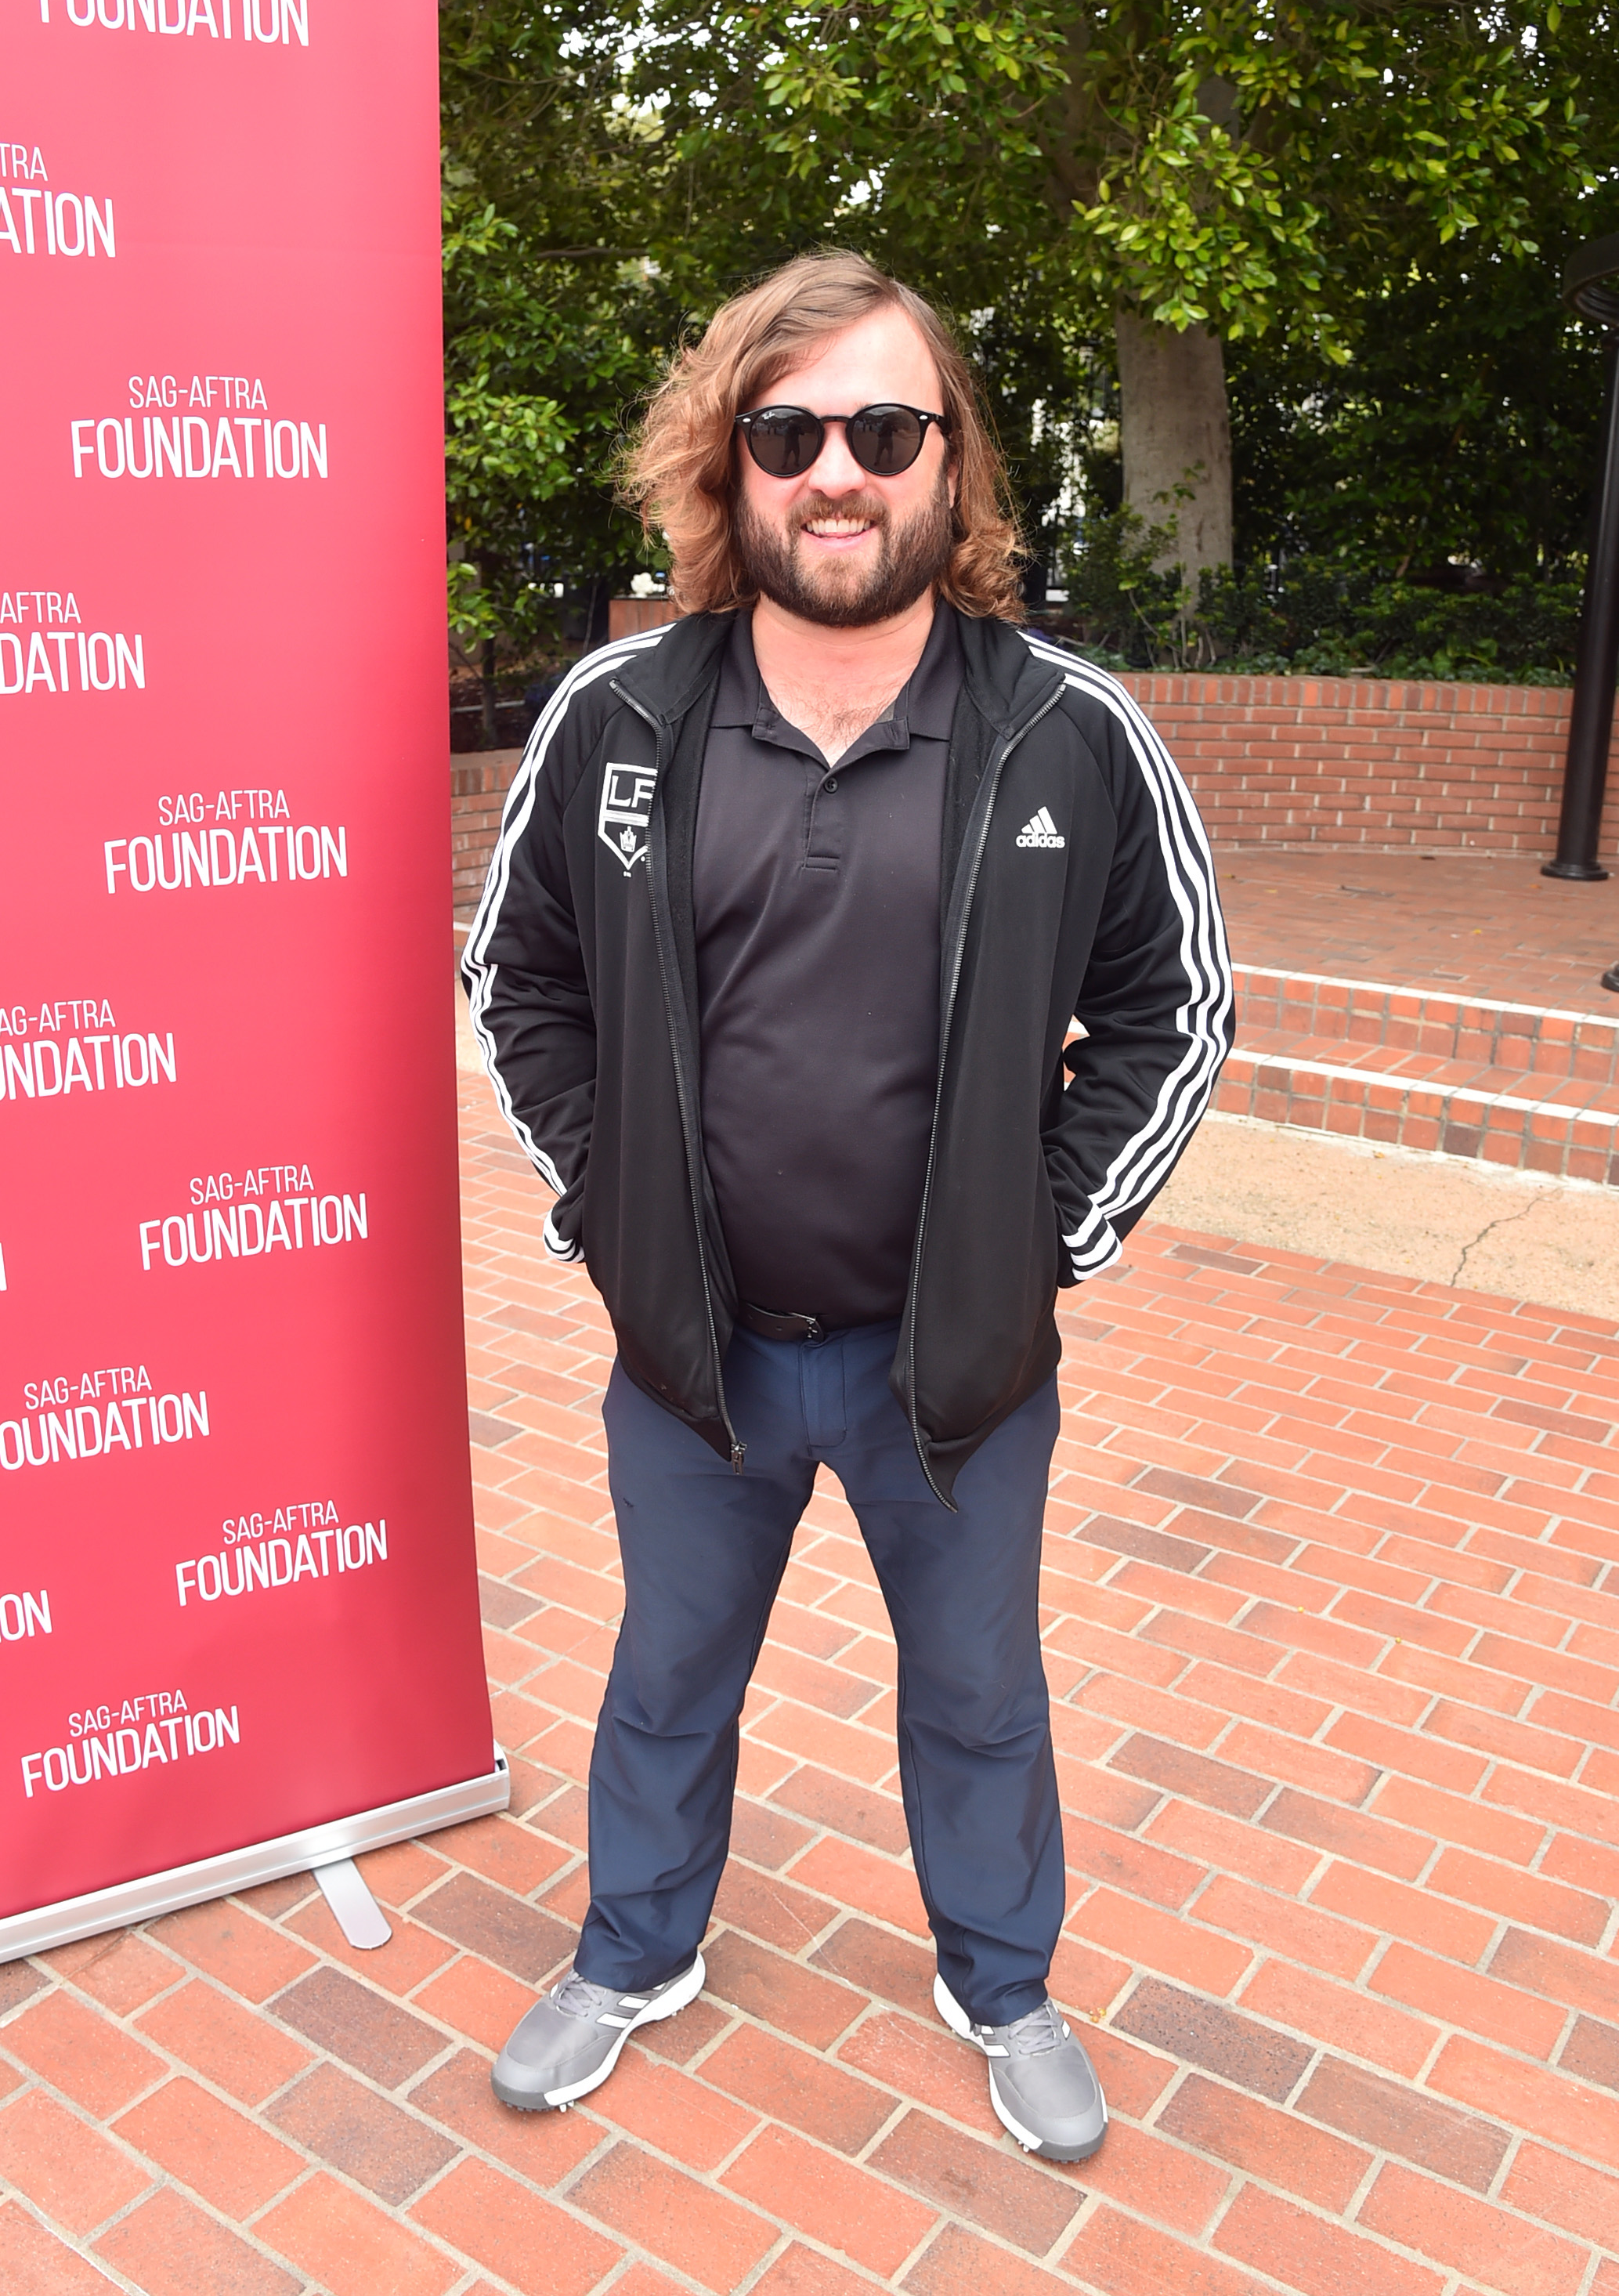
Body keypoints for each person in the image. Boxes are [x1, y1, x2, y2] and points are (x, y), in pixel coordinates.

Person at [462, 251, 1232, 2162]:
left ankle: (1003, 1976)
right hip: (695, 1355)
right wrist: (606, 1206)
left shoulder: (1065, 729)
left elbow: (1175, 1003)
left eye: (883, 429)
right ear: (723, 469)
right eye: (786, 431)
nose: (835, 471)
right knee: (663, 1674)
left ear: (954, 467)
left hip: (945, 1369)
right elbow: (516, 977)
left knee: (978, 1692)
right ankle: (634, 1946)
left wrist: (1037, 1240)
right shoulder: (618, 716)